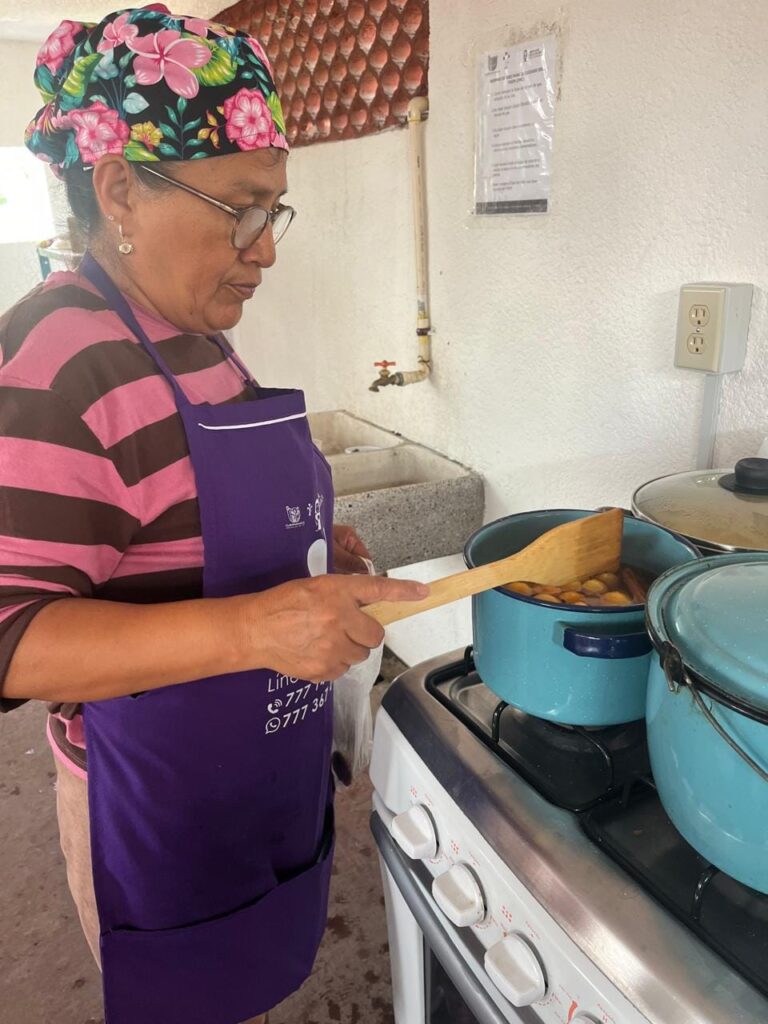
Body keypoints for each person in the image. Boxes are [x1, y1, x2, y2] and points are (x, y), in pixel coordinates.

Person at [0, 7, 428, 1022]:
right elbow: (13, 639)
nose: (264, 249)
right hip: (156, 799)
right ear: (119, 191)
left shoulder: (193, 333)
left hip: (257, 765)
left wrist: (309, 550)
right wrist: (253, 627)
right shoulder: (61, 352)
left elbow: (180, 524)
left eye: (275, 211)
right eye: (241, 206)